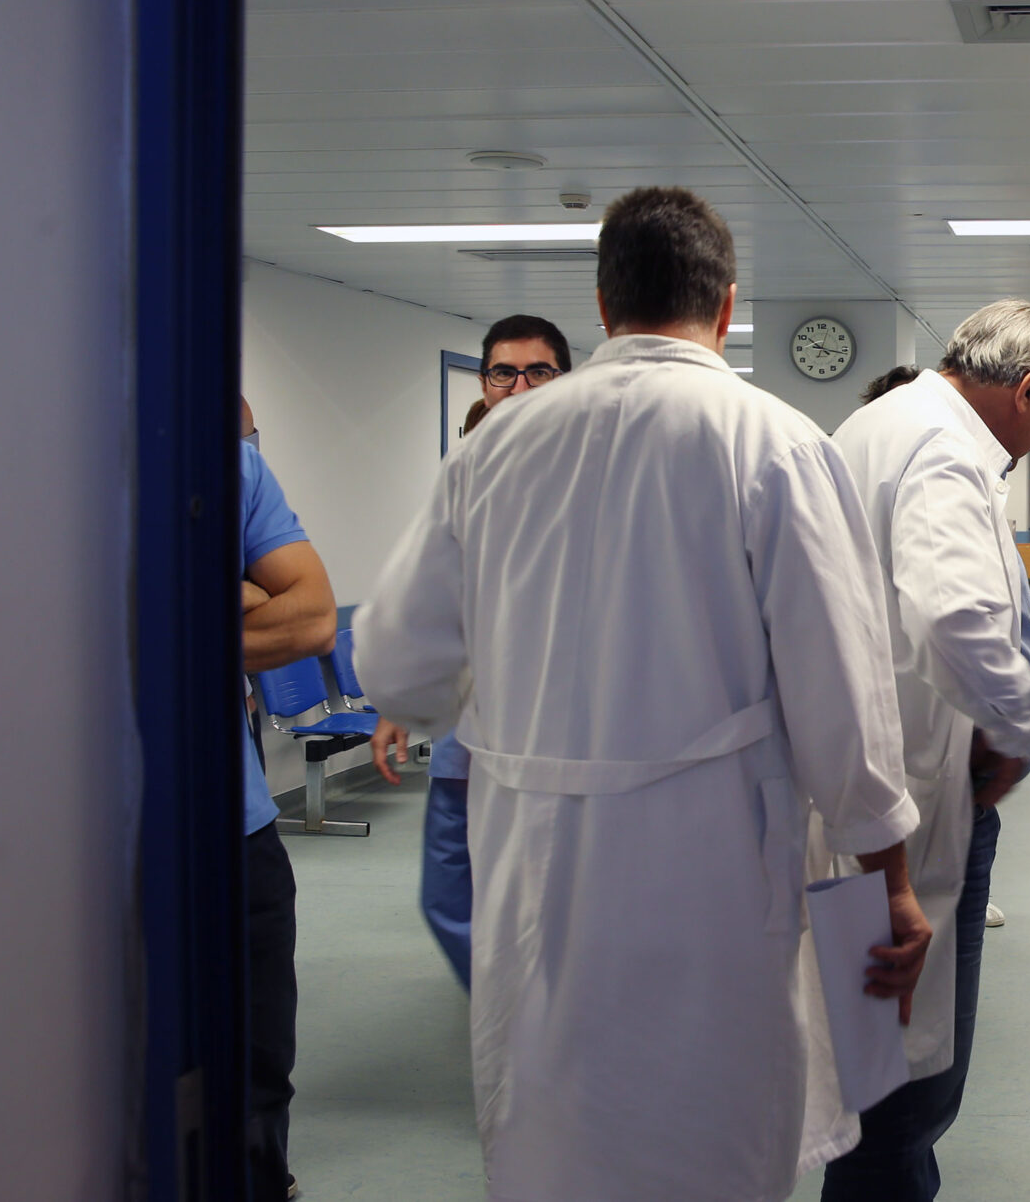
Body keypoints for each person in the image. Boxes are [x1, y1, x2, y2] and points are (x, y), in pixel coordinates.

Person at [355, 185, 932, 1201]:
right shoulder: (773, 440)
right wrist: (887, 874)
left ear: (601, 302)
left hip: (536, 867)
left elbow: (398, 665)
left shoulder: (492, 448)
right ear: (726, 304)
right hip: (711, 871)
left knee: (554, 1134)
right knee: (708, 1135)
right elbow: (841, 689)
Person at [829, 298, 1030, 1201]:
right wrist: (1016, 730)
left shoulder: (881, 424)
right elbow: (951, 616)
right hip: (916, 796)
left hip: (868, 782)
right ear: (1029, 389)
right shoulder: (945, 449)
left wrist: (1025, 641)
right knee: (903, 1090)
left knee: (874, 1065)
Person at [369, 312, 574, 990]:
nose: (519, 387)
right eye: (503, 373)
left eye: (538, 371)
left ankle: (537, 1016)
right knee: (449, 896)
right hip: (468, 737)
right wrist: (401, 700)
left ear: (566, 380)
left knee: (552, 904)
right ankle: (511, 1009)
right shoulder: (461, 479)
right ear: (483, 383)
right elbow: (430, 605)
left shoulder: (594, 478)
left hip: (558, 743)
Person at [238, 438, 339, 1200]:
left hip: (235, 825)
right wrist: (237, 594)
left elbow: (312, 619)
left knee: (258, 1049)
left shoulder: (229, 467)